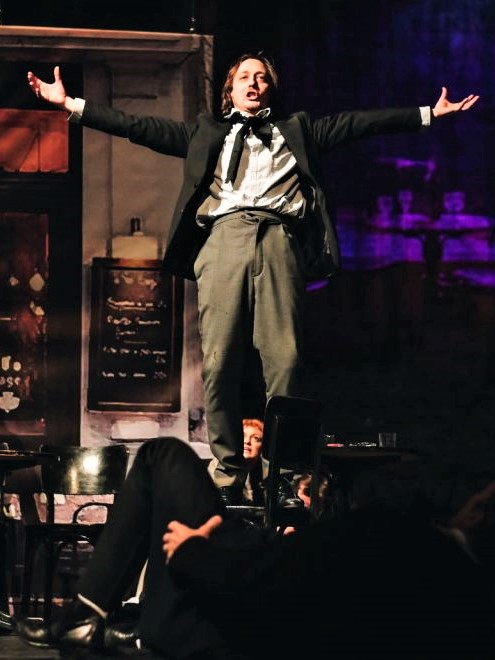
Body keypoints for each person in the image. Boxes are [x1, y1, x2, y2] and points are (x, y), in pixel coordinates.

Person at [26, 54, 479, 505]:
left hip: (280, 240)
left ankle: (282, 471)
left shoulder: (297, 131)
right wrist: (71, 104)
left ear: (269, 90)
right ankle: (227, 470)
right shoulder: (207, 133)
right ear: (231, 89)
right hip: (224, 240)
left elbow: (359, 124)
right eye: (245, 76)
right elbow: (137, 126)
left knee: (286, 360)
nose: (253, 82)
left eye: (261, 77)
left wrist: (428, 114)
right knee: (219, 361)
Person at [16, 436, 495, 660]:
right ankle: (88, 617)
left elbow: (257, 583)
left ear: (478, 513)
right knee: (170, 462)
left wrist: (192, 549)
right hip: (252, 603)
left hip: (217, 632)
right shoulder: (471, 601)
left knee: (164, 456)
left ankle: (84, 616)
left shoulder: (398, 538)